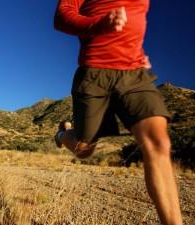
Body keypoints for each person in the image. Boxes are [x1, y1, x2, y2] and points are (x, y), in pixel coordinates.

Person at [53, 0, 183, 224]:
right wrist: (99, 24)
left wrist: (137, 48)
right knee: (84, 149)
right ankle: (63, 134)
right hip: (94, 73)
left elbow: (136, 17)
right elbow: (62, 16)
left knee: (158, 142)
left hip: (134, 73)